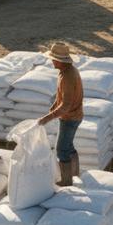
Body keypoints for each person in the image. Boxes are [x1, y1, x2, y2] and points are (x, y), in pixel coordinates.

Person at [38, 42, 83, 186]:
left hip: (70, 117)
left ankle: (66, 181)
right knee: (68, 146)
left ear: (60, 60)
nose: (51, 61)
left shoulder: (68, 77)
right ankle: (75, 174)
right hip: (73, 115)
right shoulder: (66, 71)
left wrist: (46, 118)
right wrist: (54, 106)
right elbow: (62, 98)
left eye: (53, 59)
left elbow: (66, 105)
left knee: (62, 150)